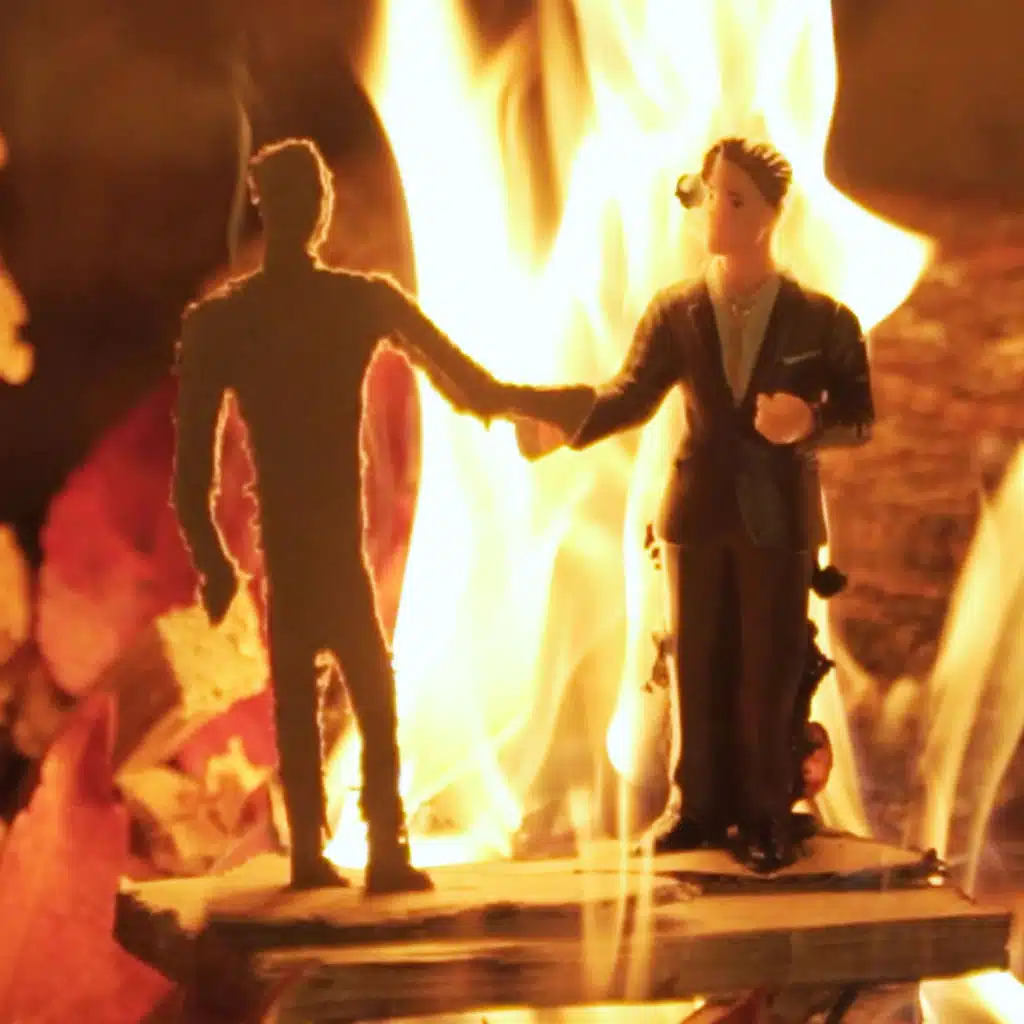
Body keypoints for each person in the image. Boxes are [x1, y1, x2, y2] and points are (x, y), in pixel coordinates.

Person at [511, 137, 875, 872]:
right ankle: (694, 806)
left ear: (770, 216)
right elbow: (630, 394)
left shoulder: (820, 320)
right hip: (695, 513)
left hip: (778, 522)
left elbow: (859, 416)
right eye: (710, 196)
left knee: (769, 667)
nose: (717, 212)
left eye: (735, 200)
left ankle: (767, 811)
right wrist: (560, 424)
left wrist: (808, 422)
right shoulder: (678, 311)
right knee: (694, 662)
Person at [173, 137, 515, 893]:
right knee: (336, 702)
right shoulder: (320, 308)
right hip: (307, 550)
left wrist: (536, 405)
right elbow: (192, 468)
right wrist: (213, 563)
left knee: (348, 701)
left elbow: (469, 385)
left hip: (315, 552)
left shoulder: (249, 318)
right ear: (312, 211)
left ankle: (353, 850)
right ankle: (337, 852)